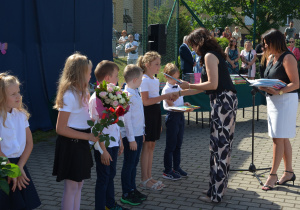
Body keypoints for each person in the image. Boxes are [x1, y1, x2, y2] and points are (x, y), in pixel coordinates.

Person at [179, 28, 238, 203]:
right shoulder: (213, 55)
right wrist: (183, 92)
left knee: (219, 148)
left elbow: (212, 84)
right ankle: (217, 187)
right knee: (220, 146)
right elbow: (209, 85)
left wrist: (187, 85)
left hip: (222, 102)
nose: (193, 49)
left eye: (193, 45)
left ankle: (216, 194)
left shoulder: (209, 56)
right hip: (224, 101)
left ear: (199, 42)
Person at [52, 53, 98, 210]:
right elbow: (61, 128)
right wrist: (87, 135)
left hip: (81, 144)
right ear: (79, 73)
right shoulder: (69, 95)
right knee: (71, 187)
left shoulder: (84, 92)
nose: (91, 74)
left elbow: (84, 118)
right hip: (71, 145)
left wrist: (100, 121)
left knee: (79, 185)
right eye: (88, 72)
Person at [259, 29, 299, 191]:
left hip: (285, 101)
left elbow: (296, 83)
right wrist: (262, 85)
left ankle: (273, 175)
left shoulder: (288, 57)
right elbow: (271, 79)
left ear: (275, 41)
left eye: (267, 42)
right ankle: (288, 172)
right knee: (283, 138)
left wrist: (279, 91)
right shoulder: (270, 57)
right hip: (273, 101)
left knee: (278, 138)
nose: (265, 45)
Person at [89, 60, 127, 210]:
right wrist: (103, 150)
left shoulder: (111, 96)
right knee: (103, 178)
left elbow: (115, 122)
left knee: (111, 175)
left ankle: (110, 205)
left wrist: (120, 141)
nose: (118, 80)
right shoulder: (96, 99)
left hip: (113, 143)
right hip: (102, 146)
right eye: (116, 76)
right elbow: (96, 128)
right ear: (107, 78)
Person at [137, 51, 178, 191]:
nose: (159, 67)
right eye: (156, 64)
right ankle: (144, 179)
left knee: (152, 146)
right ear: (147, 65)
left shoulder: (154, 79)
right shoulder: (144, 79)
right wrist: (165, 96)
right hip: (147, 114)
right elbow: (146, 102)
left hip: (155, 113)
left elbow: (155, 102)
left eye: (159, 64)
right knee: (147, 146)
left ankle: (149, 176)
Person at [0, 73, 41, 209]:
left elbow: (29, 143)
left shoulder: (21, 115)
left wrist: (20, 166)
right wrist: (12, 170)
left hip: (19, 164)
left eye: (18, 92)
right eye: (13, 94)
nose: (18, 96)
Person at [161, 63, 202, 180]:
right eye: (175, 78)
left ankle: (176, 167)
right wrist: (184, 108)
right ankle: (167, 170)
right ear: (168, 77)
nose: (177, 80)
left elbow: (179, 102)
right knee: (171, 145)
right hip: (172, 117)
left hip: (180, 117)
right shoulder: (166, 89)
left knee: (178, 144)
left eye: (178, 77)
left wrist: (185, 104)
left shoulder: (178, 87)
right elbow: (171, 105)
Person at [120, 65, 147, 206]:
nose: (142, 81)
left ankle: (132, 188)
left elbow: (139, 116)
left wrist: (142, 132)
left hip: (137, 135)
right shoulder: (126, 96)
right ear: (135, 79)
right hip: (131, 137)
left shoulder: (136, 92)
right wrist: (131, 139)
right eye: (141, 78)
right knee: (129, 164)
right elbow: (126, 120)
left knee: (134, 163)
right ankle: (126, 193)